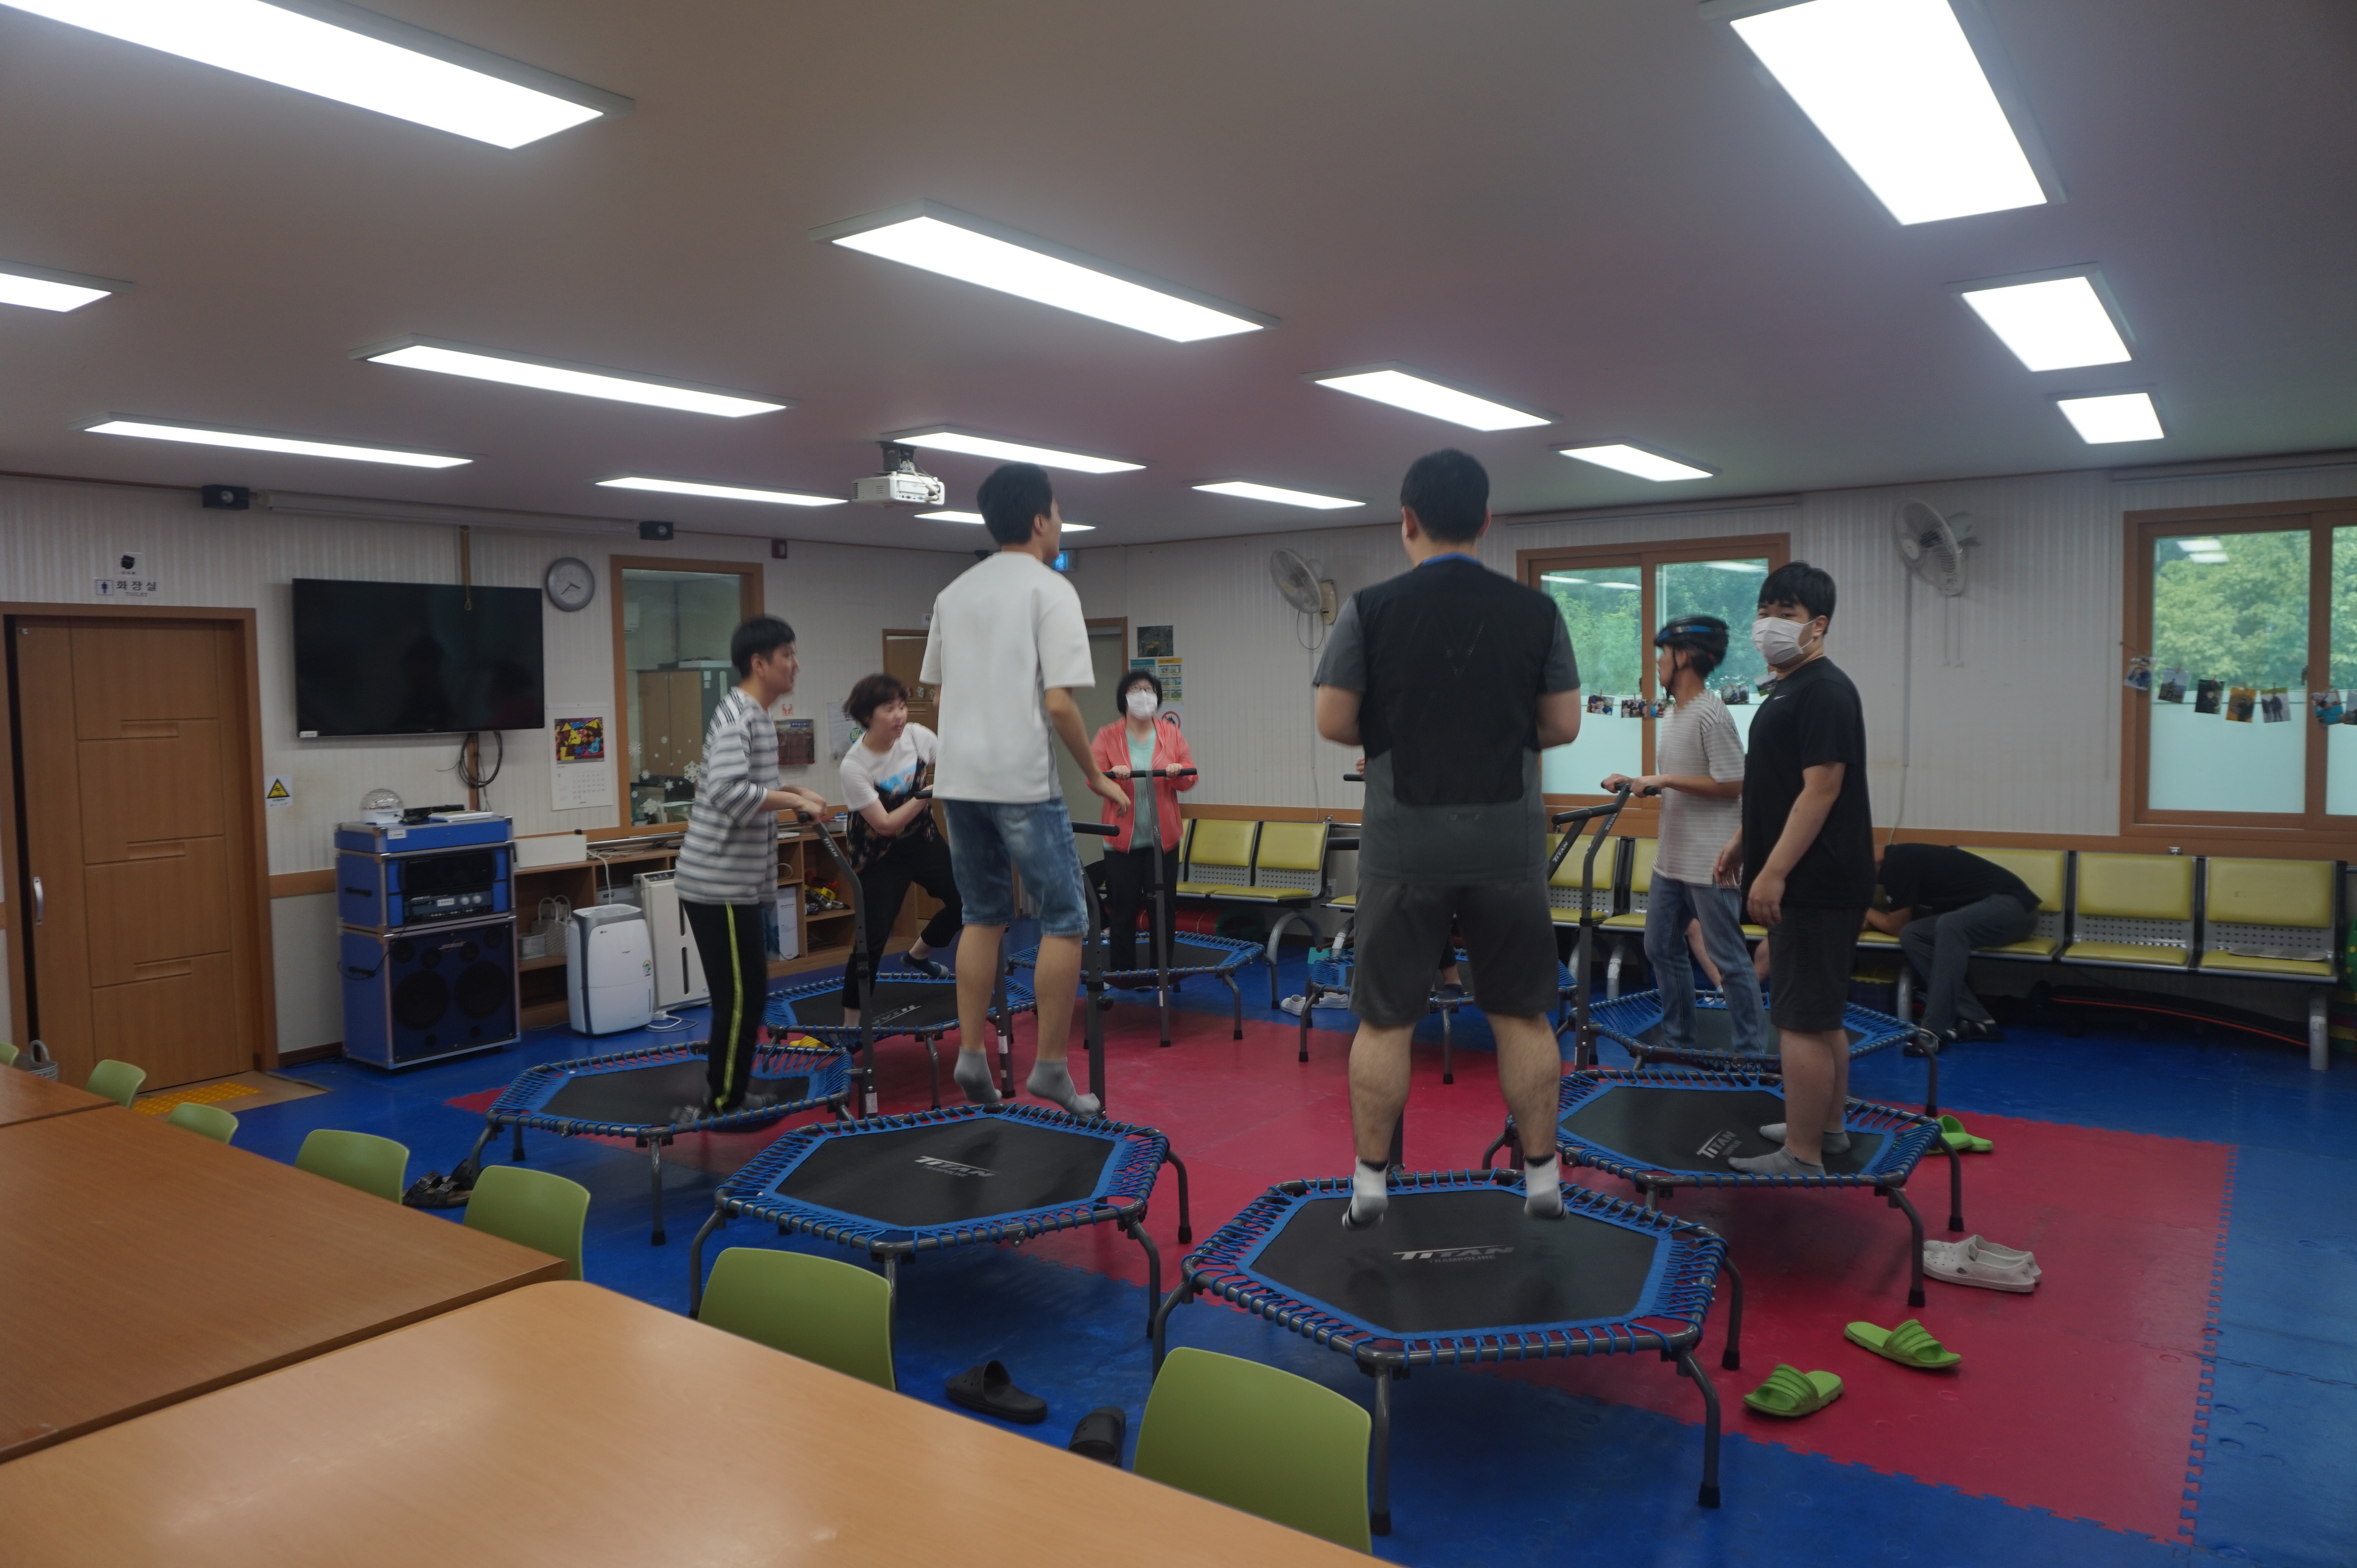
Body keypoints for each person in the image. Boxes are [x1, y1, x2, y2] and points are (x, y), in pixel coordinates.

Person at [1314, 449, 1583, 1225]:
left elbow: (1333, 719)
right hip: (1505, 846)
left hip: (1404, 845)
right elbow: (1563, 723)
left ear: (1407, 519)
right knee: (1521, 1013)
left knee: (1385, 1017)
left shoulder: (1368, 608)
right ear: (1485, 520)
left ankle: (1369, 1183)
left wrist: (1405, 732)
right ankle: (1541, 1177)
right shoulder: (1535, 611)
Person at [921, 461, 1130, 1115]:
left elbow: (938, 693)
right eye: (1058, 513)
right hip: (1021, 781)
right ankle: (1050, 1067)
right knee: (1066, 918)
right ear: (1040, 520)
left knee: (982, 915)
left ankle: (971, 1054)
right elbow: (1060, 703)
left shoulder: (952, 593)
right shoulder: (1051, 589)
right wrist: (1095, 773)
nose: (1060, 523)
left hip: (959, 780)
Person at [1712, 562, 1874, 1174]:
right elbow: (1777, 785)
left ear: (1817, 624)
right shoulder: (1789, 688)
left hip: (1816, 878)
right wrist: (1741, 840)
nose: (1770, 624)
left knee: (1800, 1019)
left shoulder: (1823, 689)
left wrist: (1774, 871)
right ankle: (1825, 1129)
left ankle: (1801, 1153)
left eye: (1787, 613)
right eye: (1765, 611)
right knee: (1820, 1013)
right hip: (1814, 875)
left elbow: (1821, 789)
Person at [672, 615, 832, 1119]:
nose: (796, 664)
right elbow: (727, 791)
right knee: (740, 997)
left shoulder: (754, 715)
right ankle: (725, 1101)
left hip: (732, 882)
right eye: (788, 655)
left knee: (748, 993)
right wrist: (793, 800)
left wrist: (797, 791)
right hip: (718, 883)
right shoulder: (739, 715)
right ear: (760, 664)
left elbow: (754, 784)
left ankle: (729, 1090)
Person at [1603, 615, 1766, 1057]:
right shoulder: (1675, 714)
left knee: (1729, 960)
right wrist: (1640, 782)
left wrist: (1667, 779)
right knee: (1660, 948)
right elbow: (1686, 780)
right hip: (1670, 861)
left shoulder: (1712, 714)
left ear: (1684, 657)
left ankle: (1751, 1054)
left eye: (1663, 653)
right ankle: (1678, 1041)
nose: (1657, 662)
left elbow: (1733, 784)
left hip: (1710, 862)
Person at [836, 673, 963, 1024]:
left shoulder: (918, 737)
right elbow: (886, 824)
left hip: (923, 840)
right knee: (872, 940)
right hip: (879, 855)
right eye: (889, 709)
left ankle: (918, 955)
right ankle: (851, 1026)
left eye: (902, 706)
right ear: (867, 716)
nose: (900, 716)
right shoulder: (854, 766)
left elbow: (955, 766)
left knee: (966, 902)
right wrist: (927, 794)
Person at [1866, 843, 2037, 1043]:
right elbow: (1902, 927)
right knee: (1913, 934)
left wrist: (1863, 910)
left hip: (2015, 909)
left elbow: (1895, 925)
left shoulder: (1898, 862)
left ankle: (1933, 1030)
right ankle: (1979, 1020)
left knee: (1950, 925)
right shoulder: (1892, 862)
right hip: (1975, 912)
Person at [1091, 668, 1197, 977]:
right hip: (1120, 839)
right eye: (1136, 689)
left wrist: (1177, 772)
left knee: (1162, 908)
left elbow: (1190, 776)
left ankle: (1161, 970)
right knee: (1123, 908)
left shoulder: (1170, 733)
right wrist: (1114, 777)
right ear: (1124, 697)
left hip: (1163, 839)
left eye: (1149, 690)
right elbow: (1094, 778)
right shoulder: (1107, 735)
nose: (1143, 695)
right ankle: (1122, 973)